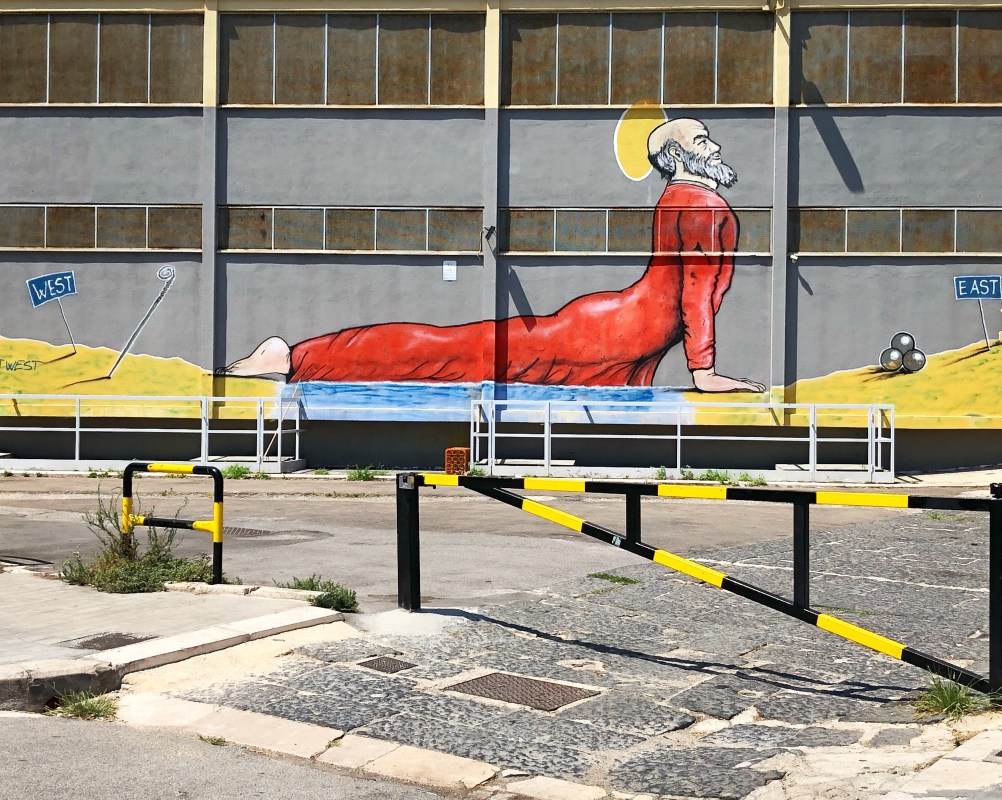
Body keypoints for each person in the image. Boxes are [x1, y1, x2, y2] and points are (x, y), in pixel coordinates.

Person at [223, 117, 764, 393]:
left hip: (624, 333)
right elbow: (696, 295)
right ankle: (294, 358)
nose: (714, 146)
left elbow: (694, 294)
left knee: (459, 350)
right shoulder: (698, 204)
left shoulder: (688, 200)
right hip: (612, 333)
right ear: (676, 156)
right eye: (702, 141)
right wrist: (704, 370)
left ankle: (299, 358)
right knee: (456, 351)